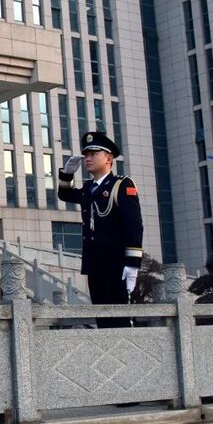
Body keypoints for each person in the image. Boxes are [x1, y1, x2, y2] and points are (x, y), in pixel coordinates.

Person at [57, 131, 144, 329]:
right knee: (102, 319)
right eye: (86, 154)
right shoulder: (89, 188)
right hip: (95, 265)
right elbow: (65, 195)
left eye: (93, 154)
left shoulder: (121, 185)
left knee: (120, 320)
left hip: (117, 266)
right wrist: (67, 174)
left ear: (109, 158)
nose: (88, 158)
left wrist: (132, 263)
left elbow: (134, 225)